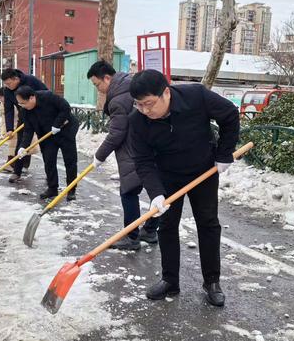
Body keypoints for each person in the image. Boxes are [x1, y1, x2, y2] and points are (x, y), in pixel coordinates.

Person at [128, 70, 240, 306]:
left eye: (149, 104)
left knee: (208, 223)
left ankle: (212, 282)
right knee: (167, 225)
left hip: (203, 170)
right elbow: (143, 160)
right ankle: (170, 281)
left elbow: (229, 114)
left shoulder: (196, 96)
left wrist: (224, 153)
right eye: (139, 105)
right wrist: (156, 193)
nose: (145, 111)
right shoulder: (137, 120)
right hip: (167, 174)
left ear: (166, 93)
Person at [87, 60, 158, 251]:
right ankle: (150, 230)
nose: (98, 89)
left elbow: (116, 134)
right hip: (153, 147)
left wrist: (99, 156)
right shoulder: (132, 86)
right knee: (157, 191)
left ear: (107, 78)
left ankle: (132, 237)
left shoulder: (118, 100)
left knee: (128, 192)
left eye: (97, 84)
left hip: (134, 151)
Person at [15, 86, 79, 200]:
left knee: (70, 161)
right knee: (49, 161)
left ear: (31, 98)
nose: (22, 106)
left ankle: (71, 189)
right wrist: (23, 147)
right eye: (20, 104)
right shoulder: (25, 110)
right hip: (46, 136)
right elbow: (28, 130)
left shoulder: (48, 97)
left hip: (65, 130)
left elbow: (65, 108)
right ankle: (52, 188)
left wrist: (57, 124)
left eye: (23, 103)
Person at [1, 68, 48, 183]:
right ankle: (17, 172)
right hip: (24, 117)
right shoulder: (7, 91)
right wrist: (10, 129)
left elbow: (46, 94)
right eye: (5, 84)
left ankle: (50, 173)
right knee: (21, 144)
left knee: (46, 145)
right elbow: (8, 110)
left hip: (40, 115)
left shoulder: (30, 81)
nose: (7, 86)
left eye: (9, 83)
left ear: (16, 79)